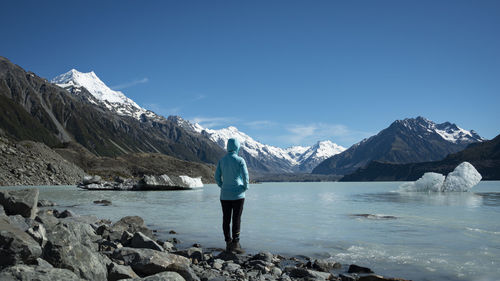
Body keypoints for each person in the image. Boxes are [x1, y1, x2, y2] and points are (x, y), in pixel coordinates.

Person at [214, 138, 249, 254]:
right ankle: (236, 243)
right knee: (236, 218)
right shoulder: (240, 160)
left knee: (226, 218)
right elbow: (245, 176)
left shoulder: (221, 161)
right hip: (238, 195)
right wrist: (245, 187)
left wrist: (222, 185)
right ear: (237, 147)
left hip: (224, 195)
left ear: (228, 147)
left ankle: (228, 242)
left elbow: (217, 177)